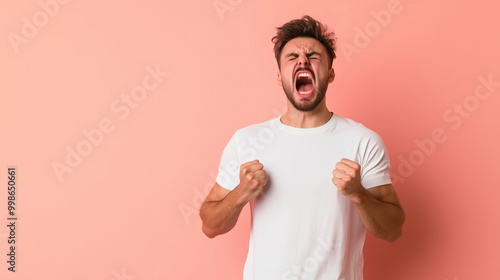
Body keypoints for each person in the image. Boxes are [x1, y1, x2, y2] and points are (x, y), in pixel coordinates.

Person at [199, 15, 405, 280]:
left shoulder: (362, 141)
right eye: (292, 56)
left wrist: (358, 194)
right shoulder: (248, 140)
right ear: (280, 76)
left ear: (330, 74)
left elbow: (392, 229)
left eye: (314, 56)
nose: (303, 60)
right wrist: (241, 193)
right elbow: (209, 226)